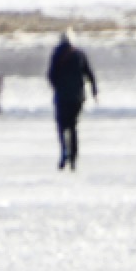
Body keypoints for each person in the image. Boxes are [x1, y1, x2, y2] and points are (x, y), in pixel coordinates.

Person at [47, 33, 97, 170]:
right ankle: (73, 158)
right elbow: (89, 74)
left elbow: (51, 75)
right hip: (77, 98)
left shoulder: (57, 55)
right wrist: (94, 92)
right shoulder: (79, 54)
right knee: (73, 127)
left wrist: (57, 87)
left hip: (62, 97)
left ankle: (64, 151)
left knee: (62, 127)